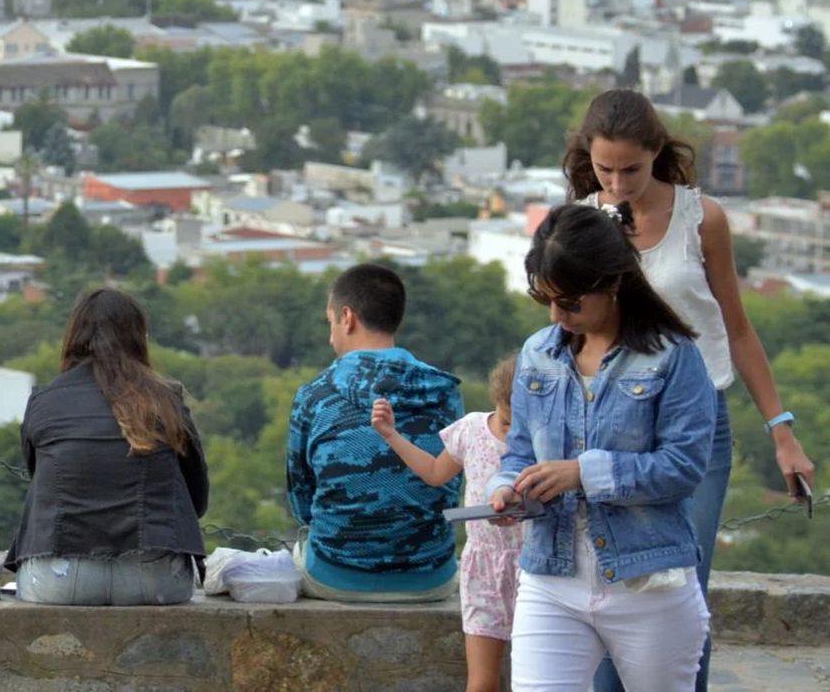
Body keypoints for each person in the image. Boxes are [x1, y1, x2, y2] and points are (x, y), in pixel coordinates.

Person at [563, 88, 816, 692]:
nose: (619, 182)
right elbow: (565, 332)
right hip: (610, 425)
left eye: (632, 168)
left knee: (681, 595)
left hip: (697, 423)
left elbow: (737, 327)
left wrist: (782, 431)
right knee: (609, 585)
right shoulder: (582, 222)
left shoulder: (702, 218)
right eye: (605, 169)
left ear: (657, 152)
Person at [490, 202, 718, 691]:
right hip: (551, 574)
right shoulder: (537, 354)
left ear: (612, 283)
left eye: (570, 302)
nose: (557, 316)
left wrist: (583, 473)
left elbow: (684, 467)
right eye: (545, 300)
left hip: (648, 579)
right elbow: (520, 452)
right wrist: (509, 488)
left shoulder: (673, 356)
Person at [5, 288, 208, 605]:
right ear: (138, 337)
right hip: (155, 576)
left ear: (73, 336)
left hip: (62, 575)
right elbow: (196, 501)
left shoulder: (44, 401)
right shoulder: (166, 399)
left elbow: (39, 479)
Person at [287, 263, 464, 602]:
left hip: (335, 575)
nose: (330, 335)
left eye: (330, 322)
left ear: (347, 317)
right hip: (431, 575)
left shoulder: (314, 395)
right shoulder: (444, 391)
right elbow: (450, 484)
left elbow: (301, 499)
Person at [372, 355, 522, 692]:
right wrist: (391, 436)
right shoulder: (471, 428)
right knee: (481, 683)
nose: (514, 433)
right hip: (483, 567)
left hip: (534, 564)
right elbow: (436, 473)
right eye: (507, 422)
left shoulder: (544, 439)